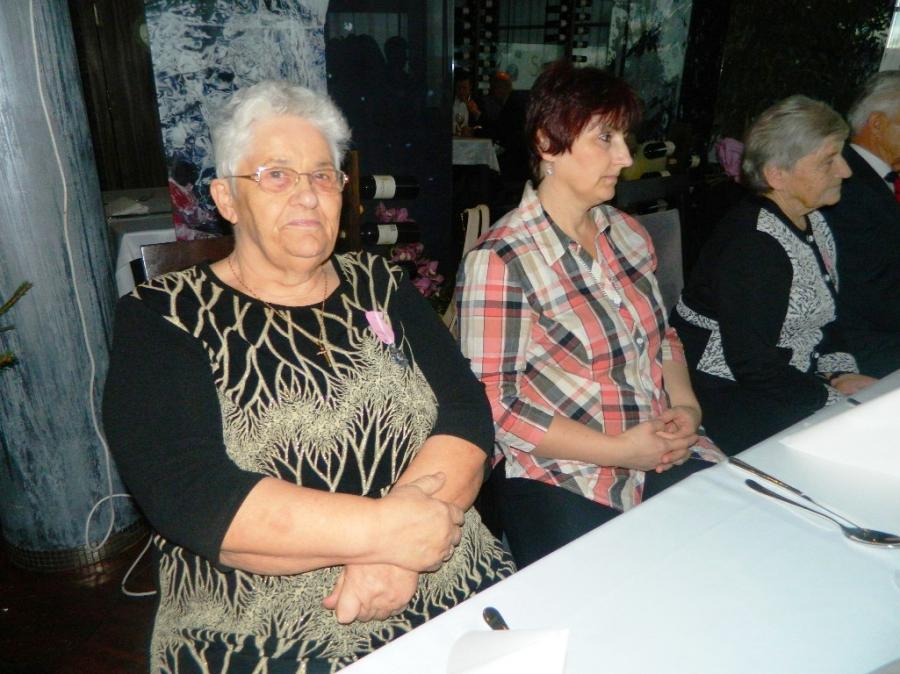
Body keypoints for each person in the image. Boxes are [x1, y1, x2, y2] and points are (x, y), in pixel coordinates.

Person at [103, 80, 514, 672]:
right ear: (226, 198)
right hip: (264, 620)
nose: (307, 195)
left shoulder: (380, 282)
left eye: (323, 175)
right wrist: (389, 535)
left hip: (446, 566)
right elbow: (194, 495)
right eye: (276, 175)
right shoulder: (163, 317)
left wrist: (397, 558)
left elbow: (465, 411)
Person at [455, 61, 720, 569]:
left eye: (624, 138)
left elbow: (662, 337)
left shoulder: (627, 233)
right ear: (547, 143)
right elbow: (496, 405)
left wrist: (687, 410)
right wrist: (620, 451)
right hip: (564, 472)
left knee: (732, 554)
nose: (625, 157)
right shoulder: (502, 259)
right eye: (605, 138)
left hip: (659, 444)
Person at [670, 95, 878, 455]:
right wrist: (830, 400)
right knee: (857, 443)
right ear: (776, 174)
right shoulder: (754, 244)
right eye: (828, 160)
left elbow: (826, 316)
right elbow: (752, 364)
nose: (845, 170)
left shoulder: (814, 222)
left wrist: (840, 374)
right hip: (723, 389)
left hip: (785, 375)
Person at [821, 71, 900, 377]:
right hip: (863, 344)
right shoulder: (846, 185)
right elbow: (867, 294)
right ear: (877, 124)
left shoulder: (873, 179)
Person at [452, 69, 480, 136]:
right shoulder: (448, 102)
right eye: (459, 88)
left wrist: (472, 131)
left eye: (464, 88)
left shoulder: (478, 103)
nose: (461, 91)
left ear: (470, 87)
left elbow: (483, 126)